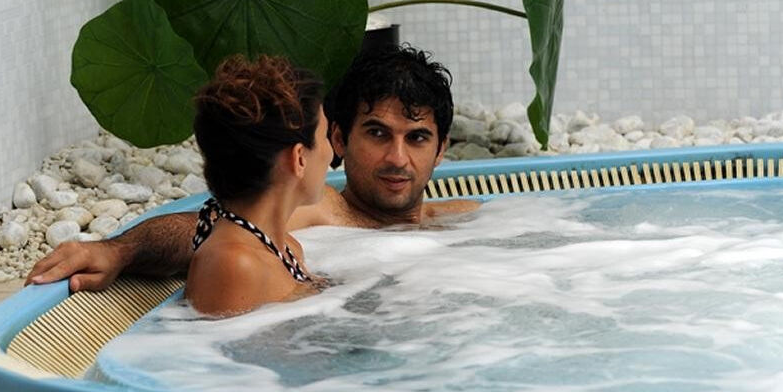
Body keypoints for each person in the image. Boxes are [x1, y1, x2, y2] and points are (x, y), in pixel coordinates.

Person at [26, 45, 479, 292]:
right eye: (378, 133)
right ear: (340, 140)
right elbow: (210, 227)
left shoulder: (467, 217)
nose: (397, 158)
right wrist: (119, 251)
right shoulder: (321, 212)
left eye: (417, 138)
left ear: (441, 149)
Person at [184, 55, 332, 316]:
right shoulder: (234, 265)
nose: (331, 154)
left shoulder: (286, 249)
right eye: (325, 138)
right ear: (299, 158)